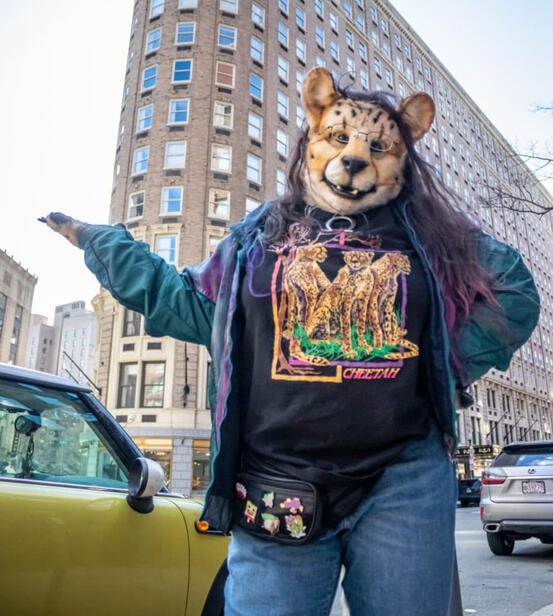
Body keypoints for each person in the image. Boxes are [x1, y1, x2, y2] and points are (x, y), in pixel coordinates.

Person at [43, 67, 539, 616]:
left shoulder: (435, 233)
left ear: (404, 159)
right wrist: (102, 242)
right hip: (276, 485)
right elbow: (190, 305)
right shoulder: (260, 231)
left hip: (404, 481)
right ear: (310, 139)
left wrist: (446, 363)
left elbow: (513, 294)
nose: (355, 156)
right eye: (337, 137)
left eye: (378, 146)